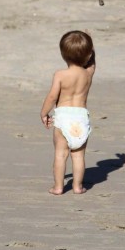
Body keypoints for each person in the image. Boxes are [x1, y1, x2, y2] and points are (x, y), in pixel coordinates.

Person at [40, 30, 96, 195]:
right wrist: (91, 45)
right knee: (78, 156)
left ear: (63, 55)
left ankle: (58, 187)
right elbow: (93, 63)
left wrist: (44, 113)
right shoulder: (88, 73)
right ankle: (77, 187)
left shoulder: (60, 75)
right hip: (81, 117)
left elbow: (52, 96)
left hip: (64, 117)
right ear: (88, 55)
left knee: (60, 154)